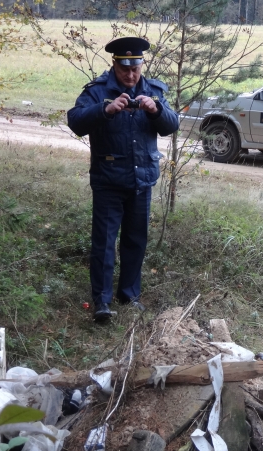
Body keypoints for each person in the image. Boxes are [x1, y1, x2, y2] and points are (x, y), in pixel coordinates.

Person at [68, 37, 179, 321]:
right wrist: (105, 110)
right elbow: (76, 122)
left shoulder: (153, 91)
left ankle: (129, 295)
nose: (131, 75)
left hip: (142, 181)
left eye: (136, 69)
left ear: (141, 65)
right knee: (104, 243)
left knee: (135, 240)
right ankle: (102, 301)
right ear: (115, 65)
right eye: (125, 69)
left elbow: (171, 125)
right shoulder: (97, 91)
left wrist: (156, 110)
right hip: (108, 180)